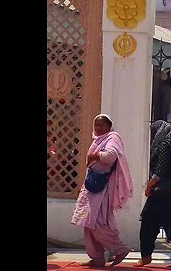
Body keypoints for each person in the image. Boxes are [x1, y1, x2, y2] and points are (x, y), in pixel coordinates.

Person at [71, 113, 134, 268]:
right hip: (92, 186)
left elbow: (110, 156)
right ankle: (97, 257)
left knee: (96, 223)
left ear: (109, 126)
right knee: (87, 222)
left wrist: (95, 155)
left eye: (102, 125)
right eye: (96, 125)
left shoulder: (113, 138)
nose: (98, 128)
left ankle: (120, 249)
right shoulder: (98, 140)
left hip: (102, 189)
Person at [135, 120, 171, 269]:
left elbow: (160, 170)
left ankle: (146, 256)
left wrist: (149, 186)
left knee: (148, 222)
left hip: (161, 193)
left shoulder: (164, 145)